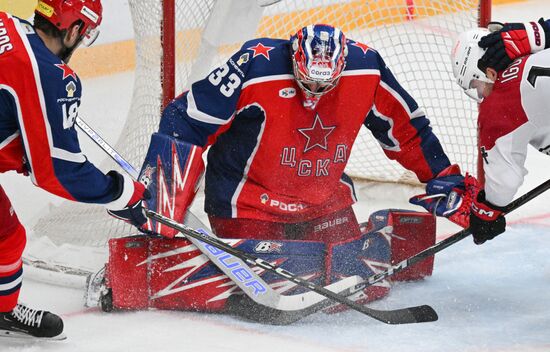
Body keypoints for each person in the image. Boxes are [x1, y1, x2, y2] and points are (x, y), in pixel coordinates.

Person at [138, 24, 464, 306]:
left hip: (320, 200)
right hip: (249, 205)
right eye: (309, 82)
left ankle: (365, 239)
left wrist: (443, 176)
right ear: (295, 58)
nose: (316, 93)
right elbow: (186, 118)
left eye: (326, 84)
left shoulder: (367, 69)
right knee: (291, 279)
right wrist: (163, 197)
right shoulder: (256, 64)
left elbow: (407, 128)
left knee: (353, 281)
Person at [0, 0, 149, 339]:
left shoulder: (6, 23)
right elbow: (59, 173)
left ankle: (2, 312)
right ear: (76, 29)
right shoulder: (49, 76)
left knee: (6, 237)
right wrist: (124, 193)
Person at [415, 26, 550, 246]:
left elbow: (505, 181)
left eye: (475, 85)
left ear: (489, 72)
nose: (479, 94)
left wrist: (484, 213)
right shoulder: (536, 54)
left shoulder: (500, 101)